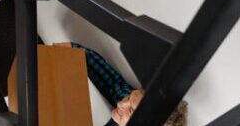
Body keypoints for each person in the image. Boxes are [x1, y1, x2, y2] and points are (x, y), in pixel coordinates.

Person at [60, 42, 188, 126]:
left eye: (131, 111)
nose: (121, 103)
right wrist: (63, 52)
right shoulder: (129, 101)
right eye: (129, 97)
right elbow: (84, 56)